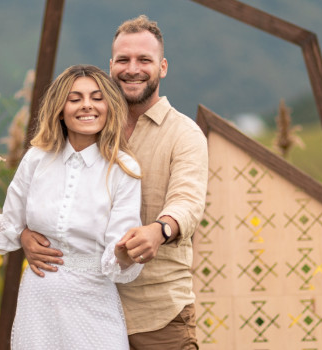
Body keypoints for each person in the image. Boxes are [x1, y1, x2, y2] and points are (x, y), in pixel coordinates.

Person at [20, 15, 209, 350]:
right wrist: (24, 234)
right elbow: (44, 197)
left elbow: (188, 203)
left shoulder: (184, 134)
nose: (132, 68)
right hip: (84, 313)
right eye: (123, 60)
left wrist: (160, 229)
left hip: (156, 314)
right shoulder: (86, 127)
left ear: (162, 67)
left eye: (144, 60)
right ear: (111, 66)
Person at [0, 64, 144, 349]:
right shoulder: (37, 160)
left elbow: (118, 254)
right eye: (75, 98)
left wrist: (126, 254)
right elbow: (10, 227)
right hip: (38, 301)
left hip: (93, 304)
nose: (87, 106)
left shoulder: (123, 168)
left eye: (97, 97)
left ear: (109, 106)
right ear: (60, 109)